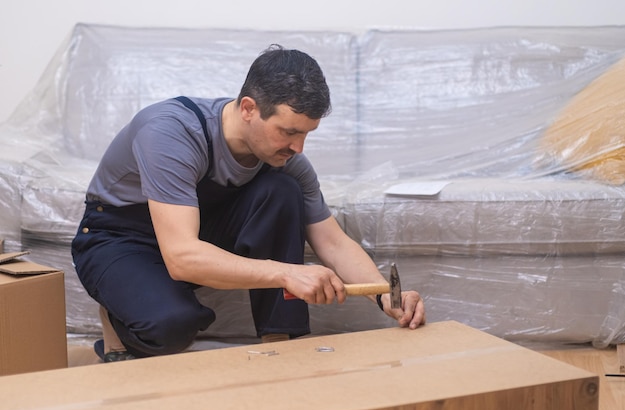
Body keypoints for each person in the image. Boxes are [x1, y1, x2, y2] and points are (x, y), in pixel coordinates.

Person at [71, 44, 425, 362]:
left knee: (282, 190)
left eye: (306, 134)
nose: (298, 147)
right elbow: (181, 257)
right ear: (248, 109)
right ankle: (120, 317)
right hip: (120, 239)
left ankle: (282, 340)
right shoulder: (170, 133)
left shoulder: (288, 162)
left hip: (194, 233)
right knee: (172, 326)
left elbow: (332, 242)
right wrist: (287, 272)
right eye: (288, 132)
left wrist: (385, 296)